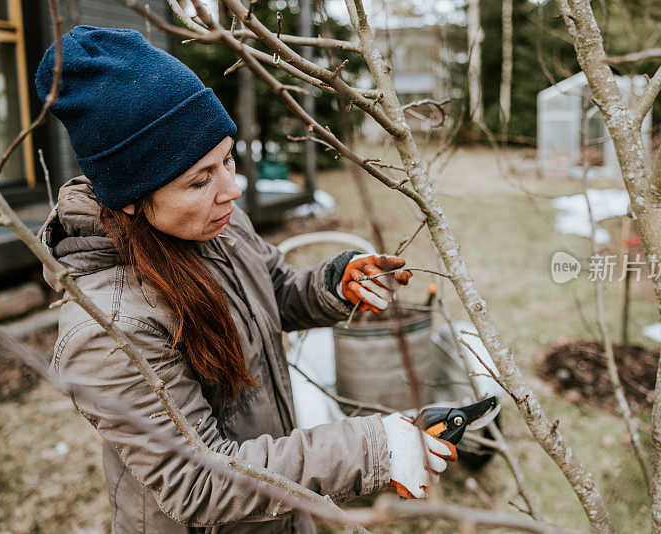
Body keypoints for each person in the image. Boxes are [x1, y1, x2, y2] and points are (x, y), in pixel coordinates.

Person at [35, 25, 456, 533]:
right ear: (129, 197)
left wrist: (329, 285)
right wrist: (373, 447)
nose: (233, 189)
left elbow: (272, 288)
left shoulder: (218, 222)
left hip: (276, 509)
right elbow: (198, 481)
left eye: (228, 158)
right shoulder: (107, 331)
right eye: (200, 178)